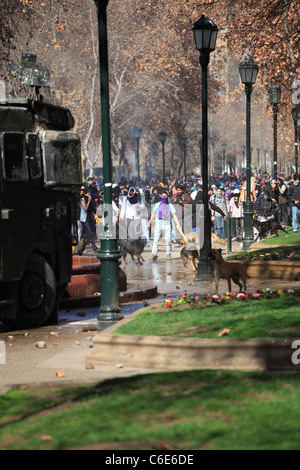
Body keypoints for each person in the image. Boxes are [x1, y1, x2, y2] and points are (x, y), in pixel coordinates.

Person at [147, 192, 182, 261]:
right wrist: (149, 223)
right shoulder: (157, 205)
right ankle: (154, 253)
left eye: (165, 196)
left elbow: (174, 215)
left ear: (167, 197)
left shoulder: (170, 205)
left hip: (167, 224)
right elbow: (153, 214)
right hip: (159, 223)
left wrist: (178, 224)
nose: (164, 197)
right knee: (156, 239)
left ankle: (168, 254)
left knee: (168, 240)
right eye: (162, 196)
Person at [79, 188, 99, 252]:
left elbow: (92, 209)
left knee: (88, 234)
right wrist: (89, 201)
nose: (89, 196)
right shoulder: (82, 200)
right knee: (89, 233)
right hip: (84, 219)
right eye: (88, 194)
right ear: (85, 194)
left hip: (90, 219)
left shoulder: (91, 200)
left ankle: (82, 249)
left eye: (90, 195)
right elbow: (85, 208)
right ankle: (94, 246)